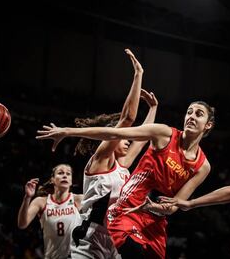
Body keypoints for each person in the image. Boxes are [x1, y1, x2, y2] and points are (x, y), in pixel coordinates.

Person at [36, 100, 216, 259]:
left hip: (154, 220)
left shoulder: (202, 166)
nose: (191, 116)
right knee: (134, 252)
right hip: (125, 211)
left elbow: (175, 204)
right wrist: (67, 131)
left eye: (198, 114)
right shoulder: (164, 134)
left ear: (208, 125)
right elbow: (119, 129)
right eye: (189, 112)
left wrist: (156, 207)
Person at [69, 48, 158, 258]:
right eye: (123, 137)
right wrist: (138, 75)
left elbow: (144, 137)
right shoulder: (99, 162)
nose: (128, 141)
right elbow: (127, 119)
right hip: (89, 236)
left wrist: (153, 108)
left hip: (114, 236)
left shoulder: (123, 165)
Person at [17, 163, 83, 259]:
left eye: (68, 174)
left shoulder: (79, 200)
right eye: (60, 173)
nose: (65, 175)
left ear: (71, 181)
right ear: (52, 180)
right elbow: (22, 224)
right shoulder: (41, 202)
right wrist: (27, 197)